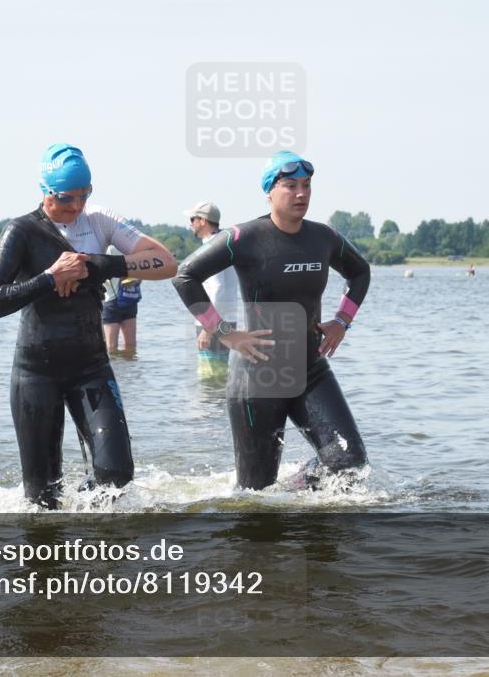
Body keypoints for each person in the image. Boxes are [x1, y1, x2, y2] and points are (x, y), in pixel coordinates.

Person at [0, 143, 177, 509]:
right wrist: (50, 278)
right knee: (41, 499)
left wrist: (101, 265)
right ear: (46, 191)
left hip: (90, 367)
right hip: (35, 373)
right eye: (67, 198)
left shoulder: (99, 219)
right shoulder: (21, 231)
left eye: (85, 195)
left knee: (117, 474)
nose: (77, 206)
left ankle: (96, 545)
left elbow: (166, 263)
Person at [173, 151, 370, 491]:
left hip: (311, 369)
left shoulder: (323, 238)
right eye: (290, 185)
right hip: (257, 378)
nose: (301, 194)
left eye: (306, 185)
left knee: (350, 465)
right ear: (269, 191)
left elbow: (360, 272)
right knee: (256, 495)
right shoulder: (244, 238)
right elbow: (185, 276)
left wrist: (342, 321)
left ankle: (297, 488)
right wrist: (225, 332)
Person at [184, 201, 238, 380]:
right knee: (219, 376)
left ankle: (212, 409)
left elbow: (218, 287)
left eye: (193, 219)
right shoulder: (224, 244)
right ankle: (220, 408)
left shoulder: (212, 248)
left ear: (203, 221)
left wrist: (208, 327)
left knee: (210, 379)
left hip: (213, 323)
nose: (190, 223)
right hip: (224, 319)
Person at [101, 248, 142, 355]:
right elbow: (140, 277)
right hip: (130, 298)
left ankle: (117, 370)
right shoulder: (132, 247)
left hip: (111, 301)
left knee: (111, 348)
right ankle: (130, 370)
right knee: (131, 347)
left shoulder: (107, 249)